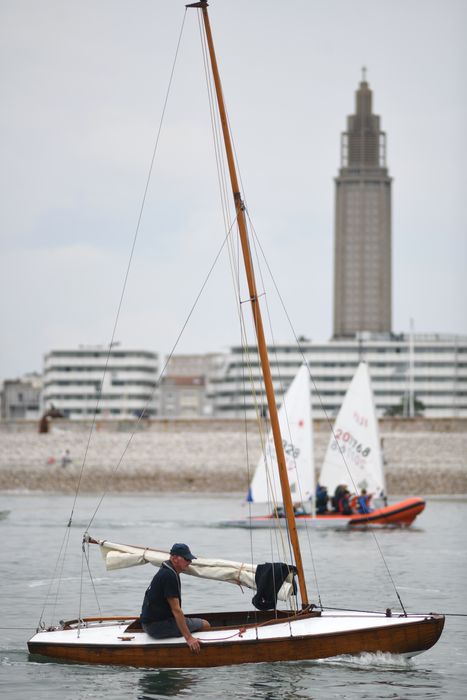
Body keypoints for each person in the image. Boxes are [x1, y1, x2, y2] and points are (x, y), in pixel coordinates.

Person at [140, 543, 210, 653]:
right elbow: (176, 610)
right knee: (206, 624)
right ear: (175, 558)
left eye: (190, 559)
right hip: (156, 627)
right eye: (187, 559)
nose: (190, 562)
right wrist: (189, 638)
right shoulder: (169, 575)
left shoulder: (166, 569)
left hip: (148, 623)